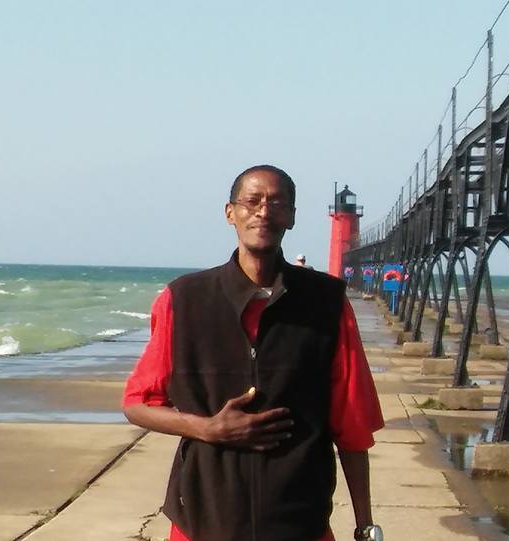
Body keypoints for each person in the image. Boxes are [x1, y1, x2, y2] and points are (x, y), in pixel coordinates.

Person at [123, 164, 384, 541]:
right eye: (252, 201)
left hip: (300, 522)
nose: (264, 211)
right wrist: (208, 428)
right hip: (204, 520)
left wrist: (365, 525)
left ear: (291, 217)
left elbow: (352, 426)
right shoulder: (183, 300)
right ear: (231, 213)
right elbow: (136, 403)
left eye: (277, 203)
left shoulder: (326, 302)